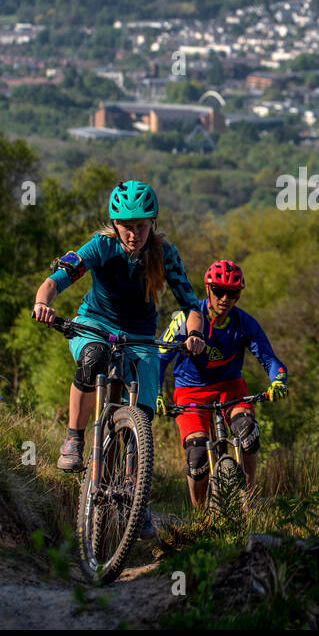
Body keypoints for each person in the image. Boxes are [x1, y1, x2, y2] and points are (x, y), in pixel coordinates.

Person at [33, 179, 205, 473]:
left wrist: (195, 334)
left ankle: (133, 486)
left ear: (153, 223)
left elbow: (191, 305)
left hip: (140, 336)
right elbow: (56, 279)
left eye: (141, 226)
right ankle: (74, 438)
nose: (133, 233)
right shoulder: (102, 246)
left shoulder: (165, 254)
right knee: (93, 358)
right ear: (114, 223)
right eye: (126, 225)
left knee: (145, 407)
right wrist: (42, 304)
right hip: (95, 323)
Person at [158, 259, 288, 509]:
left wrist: (278, 380)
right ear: (207, 289)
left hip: (229, 386)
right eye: (219, 291)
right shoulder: (187, 317)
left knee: (249, 434)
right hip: (190, 390)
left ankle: (248, 502)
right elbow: (159, 358)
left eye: (233, 293)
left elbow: (270, 359)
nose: (225, 298)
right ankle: (200, 514)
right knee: (196, 455)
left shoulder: (244, 322)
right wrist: (156, 394)